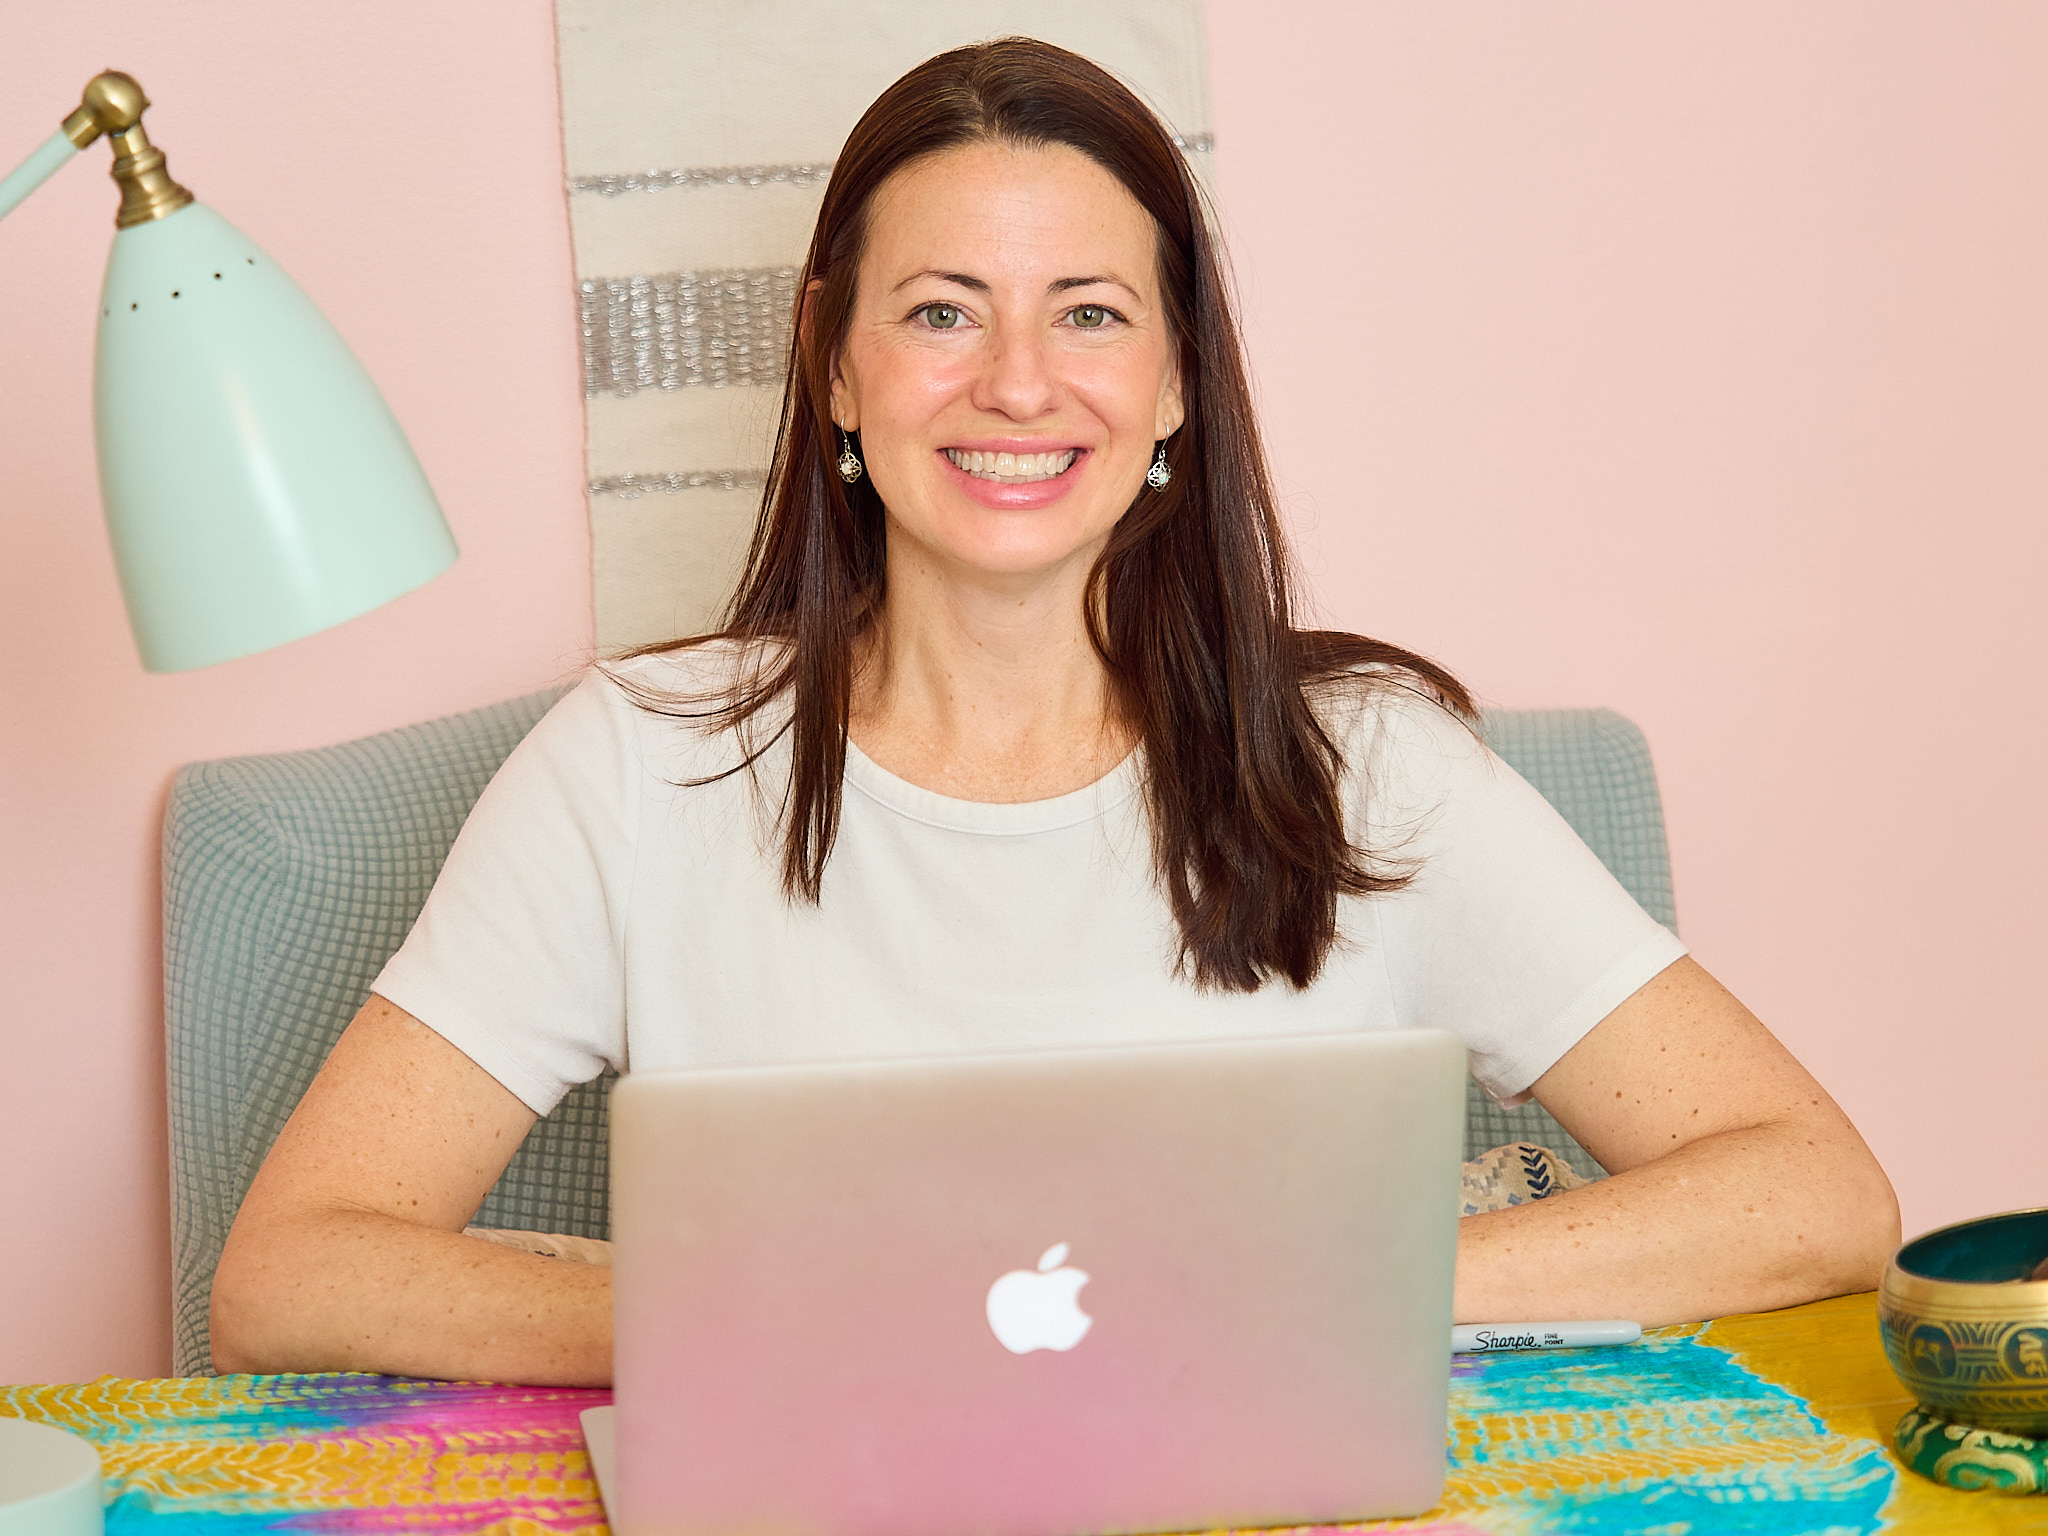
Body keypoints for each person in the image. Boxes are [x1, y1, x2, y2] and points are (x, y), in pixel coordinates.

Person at [210, 38, 1898, 1389]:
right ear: (834, 364)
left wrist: (1303, 1294)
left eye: (1088, 313)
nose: (1019, 383)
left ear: (1173, 376)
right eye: (942, 313)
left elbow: (1812, 1190)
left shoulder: (1370, 765)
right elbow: (291, 1275)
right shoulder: (639, 761)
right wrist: (767, 1328)